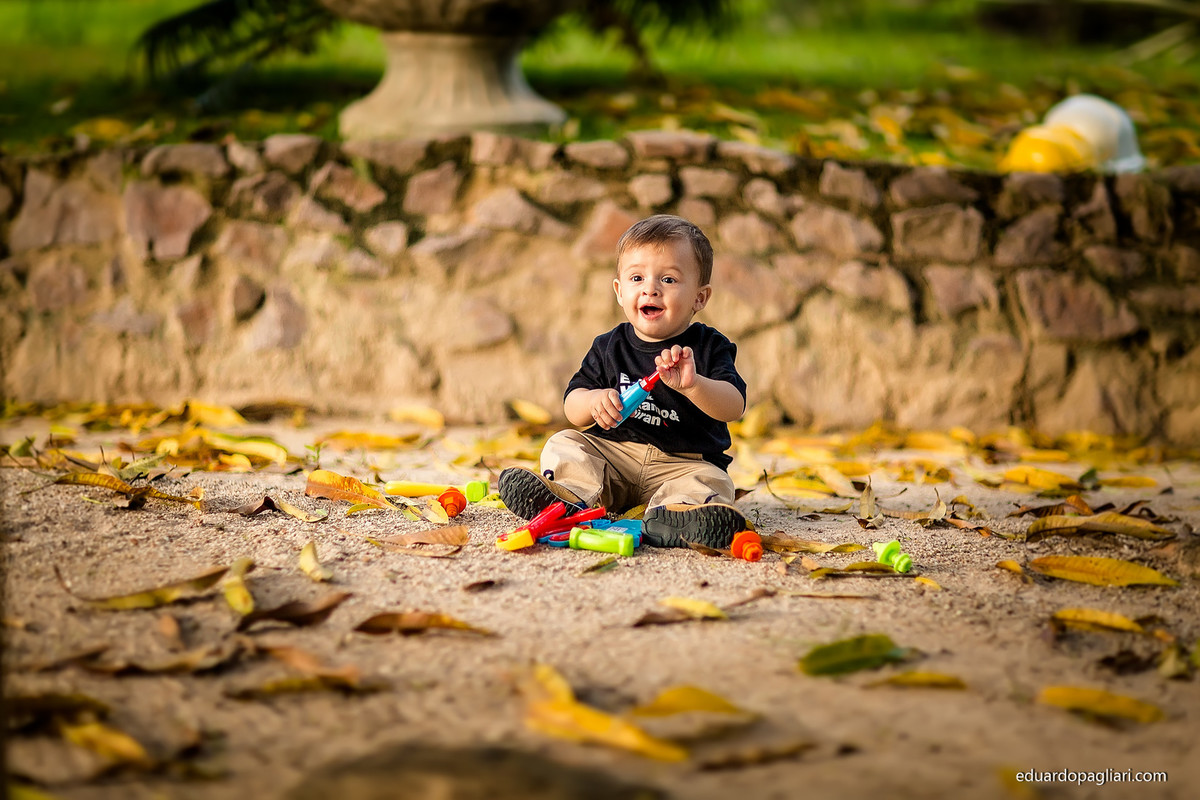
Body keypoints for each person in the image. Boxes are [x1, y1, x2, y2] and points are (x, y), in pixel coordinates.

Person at [498, 214, 748, 548]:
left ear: (700, 298)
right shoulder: (608, 346)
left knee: (712, 481)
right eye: (637, 277)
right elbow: (573, 405)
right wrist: (593, 401)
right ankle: (571, 496)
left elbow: (734, 406)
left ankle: (678, 514)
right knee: (565, 443)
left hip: (683, 463)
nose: (651, 288)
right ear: (619, 290)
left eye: (669, 280)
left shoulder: (709, 346)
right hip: (613, 456)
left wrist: (694, 385)